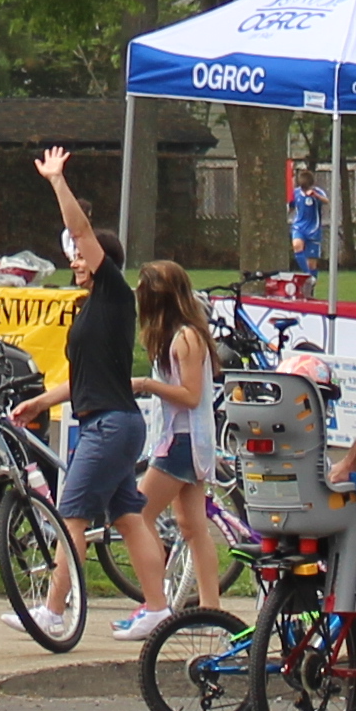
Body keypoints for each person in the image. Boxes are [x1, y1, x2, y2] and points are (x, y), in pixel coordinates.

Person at [17, 145, 174, 640]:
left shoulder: (111, 292)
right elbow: (85, 379)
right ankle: (157, 608)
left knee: (72, 516)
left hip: (109, 426)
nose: (75, 258)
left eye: (82, 255)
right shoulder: (90, 309)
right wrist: (43, 401)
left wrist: (56, 181)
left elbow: (81, 231)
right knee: (128, 515)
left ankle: (55, 611)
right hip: (109, 420)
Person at [133, 257, 234, 619]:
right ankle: (210, 607)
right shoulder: (177, 337)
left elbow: (190, 395)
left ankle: (154, 601)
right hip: (185, 440)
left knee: (136, 515)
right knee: (192, 527)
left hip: (182, 441)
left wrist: (146, 384)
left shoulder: (186, 338)